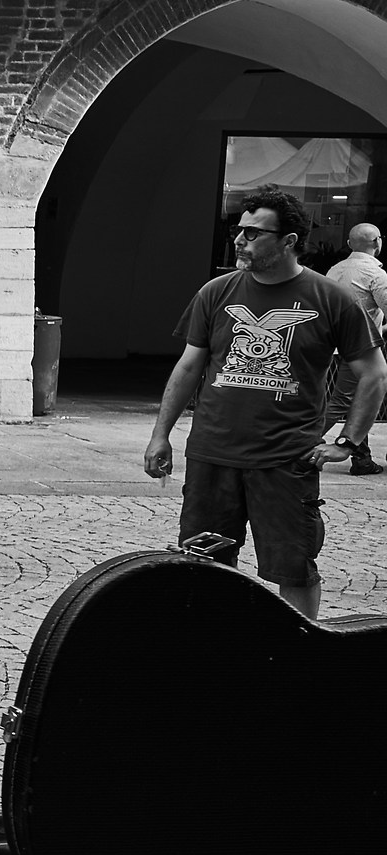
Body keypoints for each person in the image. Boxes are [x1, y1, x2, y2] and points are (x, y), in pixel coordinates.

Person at [145, 185, 384, 619]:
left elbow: (374, 373)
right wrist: (161, 435)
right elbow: (188, 368)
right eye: (240, 231)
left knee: (293, 568)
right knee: (205, 565)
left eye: (254, 234)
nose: (240, 240)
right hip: (212, 455)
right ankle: (215, 656)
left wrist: (348, 443)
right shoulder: (216, 292)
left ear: (289, 241)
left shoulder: (332, 298)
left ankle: (298, 661)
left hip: (285, 460)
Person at [322, 221, 387, 474]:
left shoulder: (334, 270)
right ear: (377, 242)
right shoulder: (376, 274)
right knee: (343, 400)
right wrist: (380, 331)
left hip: (334, 345)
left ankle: (362, 459)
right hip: (361, 348)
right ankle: (298, 445)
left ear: (349, 244)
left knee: (361, 398)